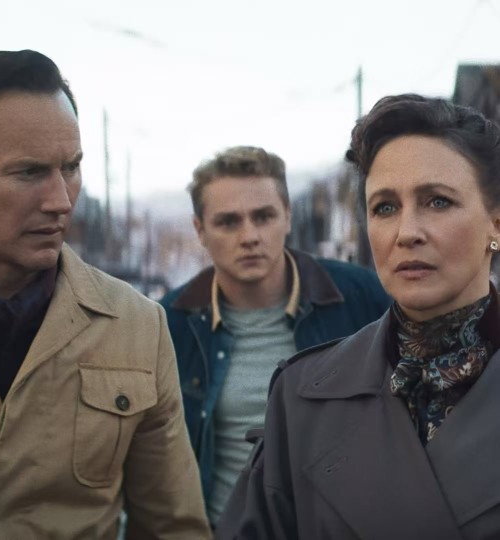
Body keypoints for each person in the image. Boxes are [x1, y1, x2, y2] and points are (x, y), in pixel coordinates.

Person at [217, 93, 500, 540]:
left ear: (495, 224)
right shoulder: (303, 398)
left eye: (437, 201)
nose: (407, 233)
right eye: (385, 207)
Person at [0, 49, 211, 540]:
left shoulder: (136, 327)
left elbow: (173, 527)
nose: (61, 201)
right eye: (29, 172)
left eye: (71, 168)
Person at [159, 145, 391, 525]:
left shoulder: (362, 297)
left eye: (263, 216)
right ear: (200, 230)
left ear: (287, 215)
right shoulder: (170, 323)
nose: (249, 236)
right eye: (228, 222)